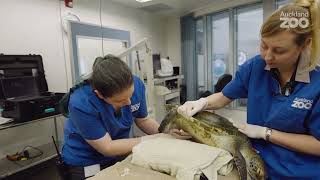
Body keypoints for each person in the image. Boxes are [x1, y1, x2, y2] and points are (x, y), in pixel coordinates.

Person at [178, 0, 320, 179]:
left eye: (279, 50)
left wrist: (267, 133)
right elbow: (224, 96)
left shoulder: (317, 83)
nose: (267, 56)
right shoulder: (256, 67)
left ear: (305, 44)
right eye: (264, 46)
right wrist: (202, 102)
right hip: (255, 166)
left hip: (299, 173)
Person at [61, 55, 191, 180]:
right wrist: (156, 138)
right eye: (120, 100)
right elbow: (107, 147)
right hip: (85, 160)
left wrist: (166, 132)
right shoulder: (81, 102)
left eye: (131, 95)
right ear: (100, 95)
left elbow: (143, 120)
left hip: (118, 153)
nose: (129, 102)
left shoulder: (136, 85)